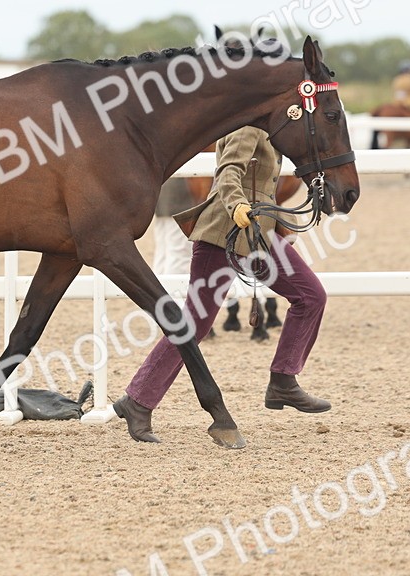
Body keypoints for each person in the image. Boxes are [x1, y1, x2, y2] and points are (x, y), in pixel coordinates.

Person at [112, 125, 330, 443]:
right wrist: (237, 206)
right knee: (195, 324)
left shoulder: (270, 124)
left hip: (259, 235)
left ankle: (284, 379)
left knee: (311, 296)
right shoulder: (249, 125)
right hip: (223, 233)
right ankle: (137, 401)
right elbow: (228, 173)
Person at [151, 179, 194, 278]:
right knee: (179, 255)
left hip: (164, 194)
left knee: (163, 255)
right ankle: (172, 292)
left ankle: (161, 292)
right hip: (182, 197)